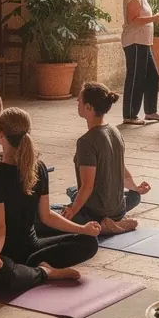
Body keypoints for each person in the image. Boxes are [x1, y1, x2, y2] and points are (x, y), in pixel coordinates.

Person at [0, 108, 100, 293]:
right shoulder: (2, 174)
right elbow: (39, 219)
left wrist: (83, 230)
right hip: (2, 253)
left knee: (89, 241)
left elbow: (43, 216)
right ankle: (43, 271)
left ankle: (31, 269)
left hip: (29, 248)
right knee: (3, 278)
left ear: (0, 135)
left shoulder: (32, 169)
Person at [64, 82, 151, 233]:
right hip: (119, 208)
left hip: (97, 212)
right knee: (134, 197)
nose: (77, 102)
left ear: (88, 107)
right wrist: (135, 188)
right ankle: (117, 219)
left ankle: (103, 226)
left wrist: (72, 211)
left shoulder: (86, 141)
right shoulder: (115, 131)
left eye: (79, 100)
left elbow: (87, 186)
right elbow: (121, 169)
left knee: (50, 215)